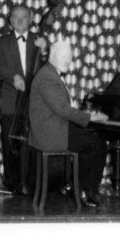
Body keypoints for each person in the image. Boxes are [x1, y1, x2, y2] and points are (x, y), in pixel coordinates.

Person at [29, 40, 109, 207]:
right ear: (52, 56)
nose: (67, 61)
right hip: (50, 134)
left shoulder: (51, 73)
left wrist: (86, 115)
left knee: (98, 140)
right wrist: (90, 118)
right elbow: (61, 109)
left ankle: (86, 187)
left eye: (69, 58)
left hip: (56, 127)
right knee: (93, 144)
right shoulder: (47, 77)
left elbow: (62, 108)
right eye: (63, 57)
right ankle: (82, 190)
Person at [0, 4, 50, 194]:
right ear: (10, 21)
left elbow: (48, 66)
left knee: (33, 142)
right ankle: (12, 182)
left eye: (24, 17)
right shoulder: (0, 42)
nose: (20, 20)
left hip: (34, 100)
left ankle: (32, 182)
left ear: (31, 19)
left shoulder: (39, 39)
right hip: (10, 98)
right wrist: (13, 76)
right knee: (11, 142)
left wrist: (44, 51)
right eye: (15, 17)